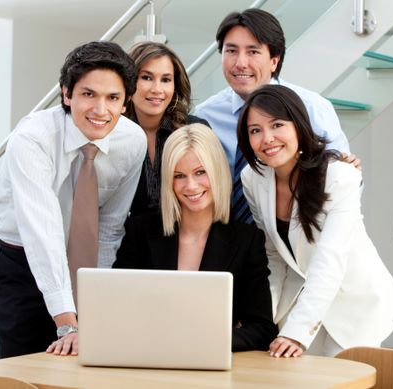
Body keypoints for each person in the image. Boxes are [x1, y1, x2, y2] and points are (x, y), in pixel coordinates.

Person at [0, 41, 147, 358]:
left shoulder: (132, 141)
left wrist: (92, 299)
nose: (100, 110)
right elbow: (42, 232)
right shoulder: (32, 138)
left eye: (112, 98)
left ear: (126, 102)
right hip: (22, 264)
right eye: (89, 94)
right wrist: (68, 323)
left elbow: (110, 227)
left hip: (85, 264)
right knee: (24, 368)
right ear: (66, 94)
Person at [238, 84, 393, 357]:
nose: (267, 138)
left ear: (298, 126)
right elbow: (273, 256)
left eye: (277, 124)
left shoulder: (340, 176)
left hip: (354, 303)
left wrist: (297, 333)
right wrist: (260, 317)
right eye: (255, 130)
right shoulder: (253, 178)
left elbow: (330, 259)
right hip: (301, 299)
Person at [113, 123, 278, 351]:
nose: (191, 186)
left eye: (200, 172)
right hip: (148, 357)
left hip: (211, 366)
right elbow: (117, 307)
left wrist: (203, 342)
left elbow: (262, 328)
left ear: (217, 171)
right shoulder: (140, 232)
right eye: (179, 176)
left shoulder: (246, 240)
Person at [194, 9, 358, 222]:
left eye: (253, 52)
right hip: (226, 243)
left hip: (300, 235)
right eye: (231, 51)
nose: (240, 63)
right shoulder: (205, 115)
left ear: (274, 60)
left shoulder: (312, 108)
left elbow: (346, 187)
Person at [125, 42, 209, 217]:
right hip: (129, 239)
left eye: (166, 80)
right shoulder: (114, 134)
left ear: (175, 85)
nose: (157, 89)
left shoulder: (195, 129)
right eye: (146, 77)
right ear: (129, 81)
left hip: (186, 235)